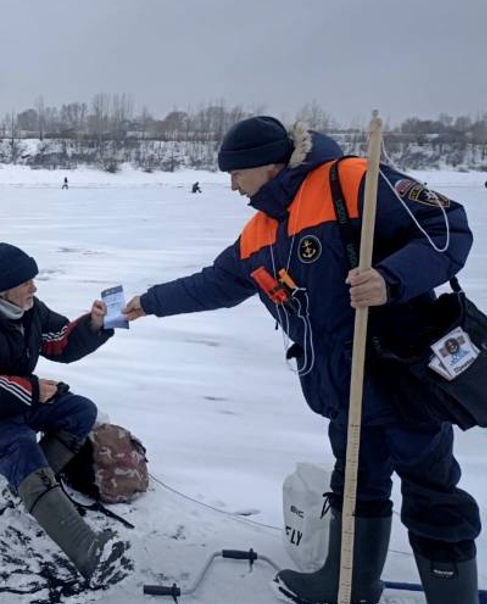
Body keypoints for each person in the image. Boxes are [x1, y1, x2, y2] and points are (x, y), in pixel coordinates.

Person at [123, 116, 480, 604]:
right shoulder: (260, 232)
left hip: (403, 370)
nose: (231, 186)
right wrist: (149, 302)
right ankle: (349, 584)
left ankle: (451, 597)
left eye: (236, 174)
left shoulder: (350, 178)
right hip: (341, 384)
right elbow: (215, 283)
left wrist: (390, 278)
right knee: (355, 483)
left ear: (267, 166)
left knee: (432, 489)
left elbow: (447, 226)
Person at [0, 242, 128, 583]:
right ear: (5, 288)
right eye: (27, 282)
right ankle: (88, 551)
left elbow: (60, 341)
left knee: (80, 411)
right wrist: (32, 389)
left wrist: (95, 324)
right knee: (21, 443)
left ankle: (33, 486)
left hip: (17, 401)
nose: (34, 288)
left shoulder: (31, 310)